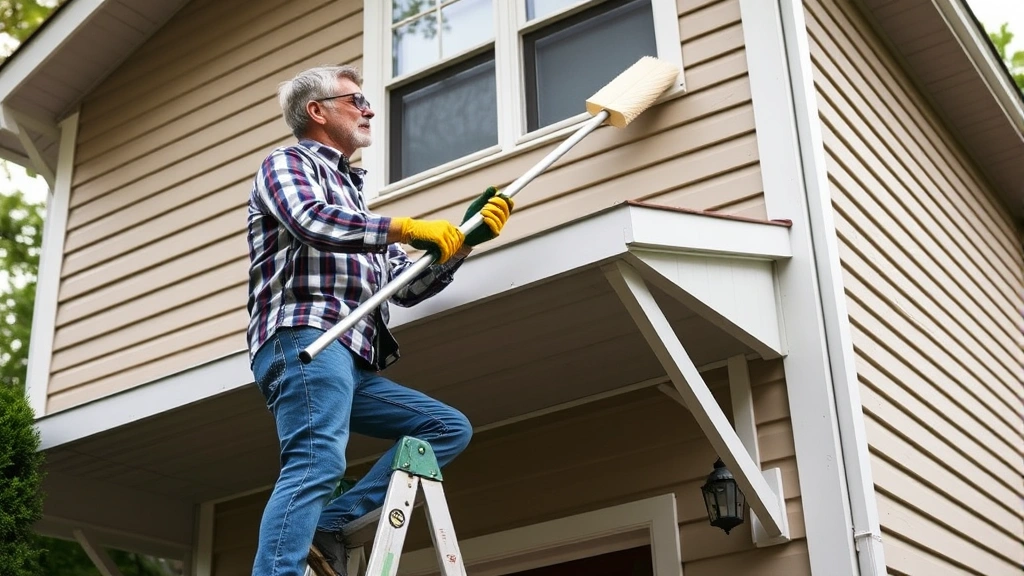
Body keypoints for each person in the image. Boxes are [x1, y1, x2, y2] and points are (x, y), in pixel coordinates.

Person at [245, 64, 513, 576]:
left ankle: (330, 522)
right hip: (306, 340)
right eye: (356, 100)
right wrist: (406, 227)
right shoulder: (287, 163)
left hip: (350, 360)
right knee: (317, 463)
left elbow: (403, 288)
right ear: (316, 111)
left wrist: (461, 243)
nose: (369, 109)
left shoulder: (354, 199)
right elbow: (311, 221)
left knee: (445, 428)